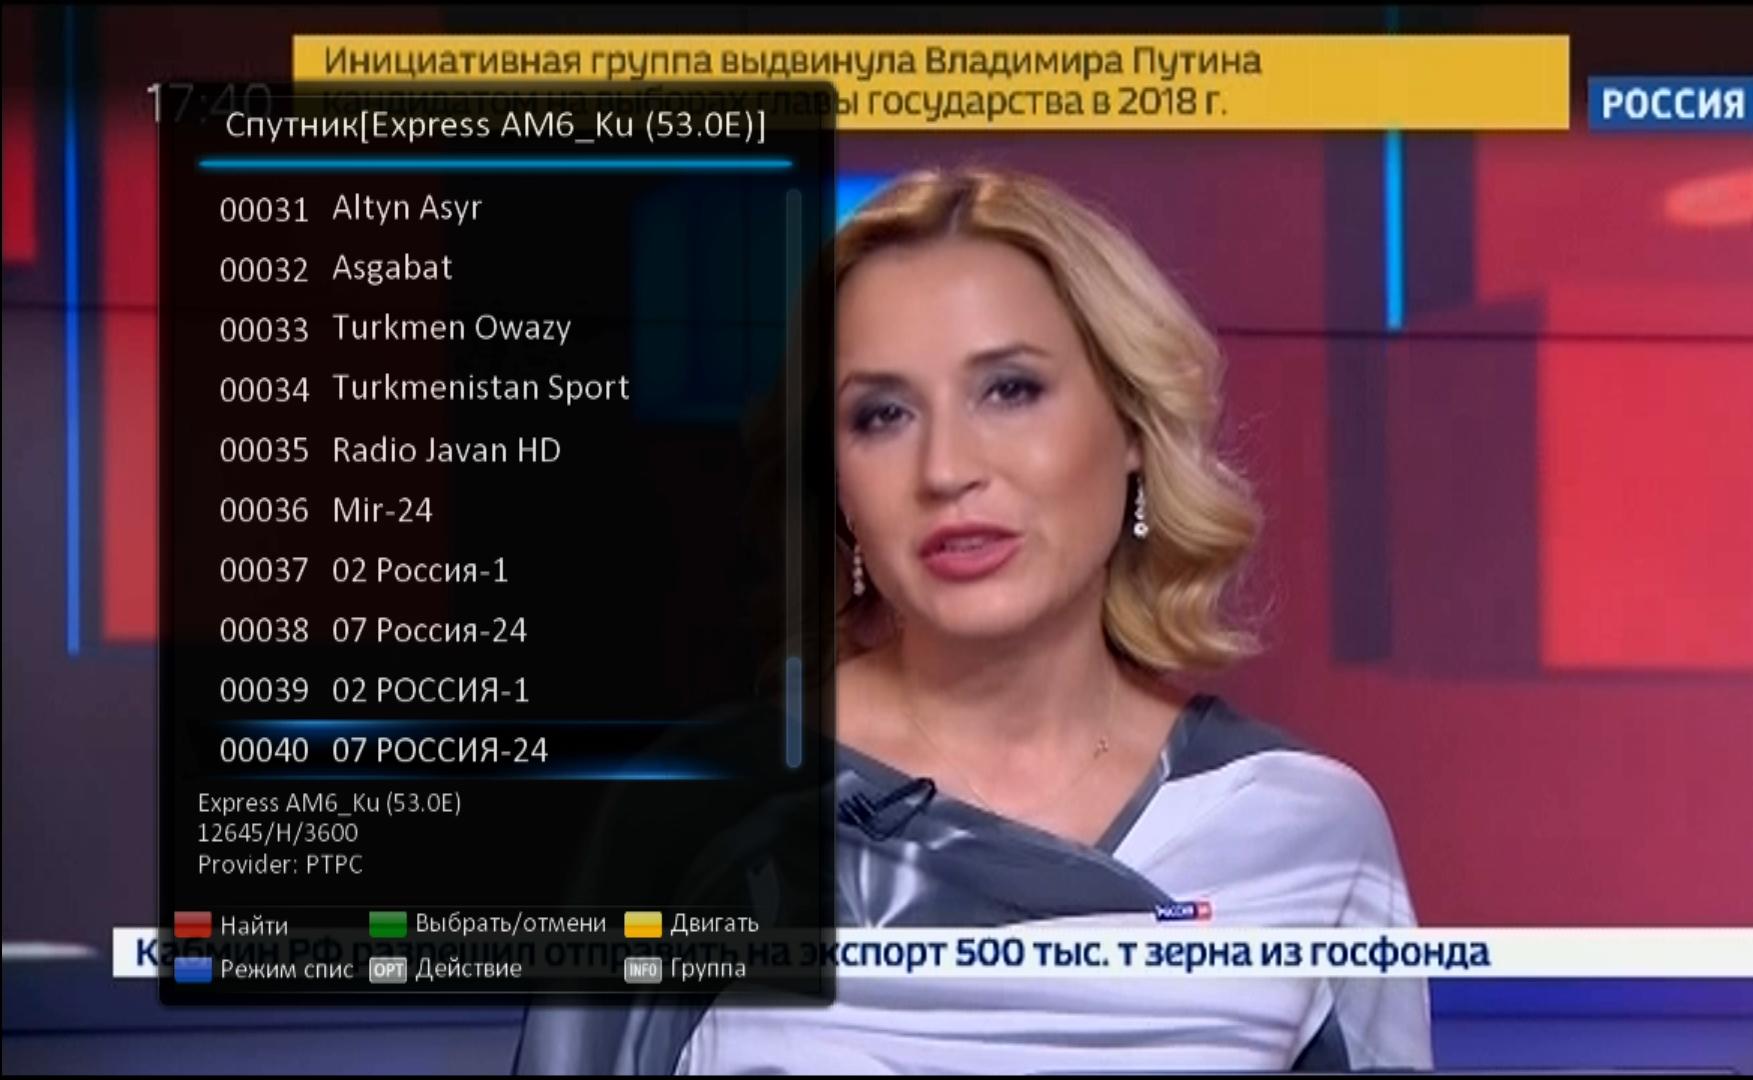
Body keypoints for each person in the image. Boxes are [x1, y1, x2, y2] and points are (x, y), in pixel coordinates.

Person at [515, 167, 1433, 1074]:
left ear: (1131, 428)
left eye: (1009, 390)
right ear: (838, 488)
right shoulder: (698, 818)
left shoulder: (1306, 831)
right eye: (882, 415)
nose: (947, 468)